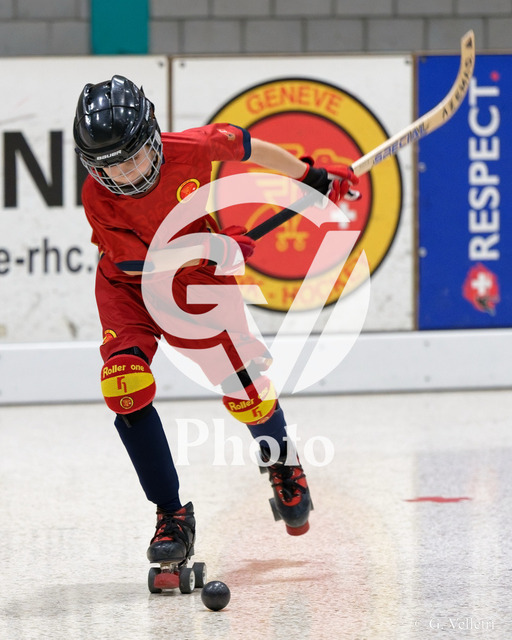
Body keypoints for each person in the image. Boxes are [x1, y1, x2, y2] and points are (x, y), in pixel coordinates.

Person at [73, 75, 360, 577]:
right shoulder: (97, 197)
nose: (123, 173)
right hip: (128, 286)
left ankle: (283, 464)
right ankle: (171, 518)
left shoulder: (194, 148)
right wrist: (213, 246)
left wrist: (310, 176)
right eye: (108, 166)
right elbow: (141, 264)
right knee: (125, 387)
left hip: (198, 285)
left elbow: (250, 147)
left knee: (244, 387)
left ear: (152, 136)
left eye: (132, 157)